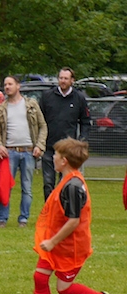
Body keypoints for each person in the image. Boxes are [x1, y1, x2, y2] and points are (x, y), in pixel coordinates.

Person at [30, 138, 112, 294]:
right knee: (40, 277)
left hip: (71, 246)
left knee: (64, 288)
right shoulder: (67, 179)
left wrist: (52, 241)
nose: (53, 157)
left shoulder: (73, 186)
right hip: (58, 242)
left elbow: (73, 221)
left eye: (56, 154)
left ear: (64, 160)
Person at [0, 76, 47, 228]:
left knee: (27, 187)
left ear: (18, 86)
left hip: (29, 151)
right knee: (5, 186)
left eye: (10, 84)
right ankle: (2, 219)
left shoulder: (31, 104)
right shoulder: (2, 107)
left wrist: (39, 146)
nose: (7, 87)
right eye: (5, 84)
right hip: (9, 152)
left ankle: (23, 218)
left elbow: (43, 126)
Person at [39, 67, 90, 201]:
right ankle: (49, 209)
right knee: (48, 183)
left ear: (72, 80)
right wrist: (38, 142)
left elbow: (85, 121)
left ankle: (63, 208)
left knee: (65, 184)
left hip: (68, 150)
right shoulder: (47, 96)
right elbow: (39, 120)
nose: (63, 81)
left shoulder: (79, 98)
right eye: (61, 78)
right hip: (49, 147)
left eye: (66, 78)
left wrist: (81, 140)